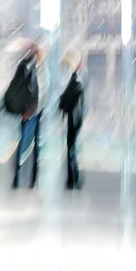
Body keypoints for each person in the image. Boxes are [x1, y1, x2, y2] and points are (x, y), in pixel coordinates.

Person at [11, 37, 51, 189]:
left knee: (34, 148)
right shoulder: (28, 67)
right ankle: (18, 178)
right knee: (23, 145)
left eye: (37, 51)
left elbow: (42, 93)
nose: (35, 54)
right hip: (27, 112)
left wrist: (31, 111)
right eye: (33, 51)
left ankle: (32, 180)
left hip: (35, 113)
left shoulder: (43, 70)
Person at [59, 49, 86, 189]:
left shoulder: (75, 82)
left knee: (71, 150)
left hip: (73, 121)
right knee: (71, 149)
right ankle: (73, 178)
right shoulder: (76, 81)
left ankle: (74, 178)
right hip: (74, 120)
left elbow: (68, 101)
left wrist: (62, 105)